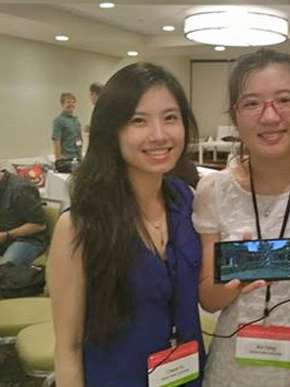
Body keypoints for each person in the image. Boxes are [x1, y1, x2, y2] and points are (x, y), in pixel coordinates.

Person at [48, 62, 205, 386]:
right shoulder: (78, 226)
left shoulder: (187, 200)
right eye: (138, 121)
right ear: (112, 130)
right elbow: (68, 347)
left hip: (188, 374)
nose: (159, 135)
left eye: (170, 118)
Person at [192, 48, 290, 386]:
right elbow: (208, 300)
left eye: (284, 100)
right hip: (233, 370)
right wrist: (232, 281)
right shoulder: (213, 190)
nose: (270, 116)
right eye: (252, 103)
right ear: (235, 115)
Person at [0, 162, 48, 265]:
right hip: (6, 235)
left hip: (29, 239)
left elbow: (39, 225)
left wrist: (7, 235)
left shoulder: (21, 188)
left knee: (5, 270)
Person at [52, 92, 83, 161]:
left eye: (73, 102)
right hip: (66, 158)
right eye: (68, 102)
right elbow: (56, 141)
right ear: (62, 104)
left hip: (77, 157)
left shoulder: (76, 120)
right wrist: (58, 159)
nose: (71, 104)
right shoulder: (59, 120)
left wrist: (80, 156)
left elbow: (78, 139)